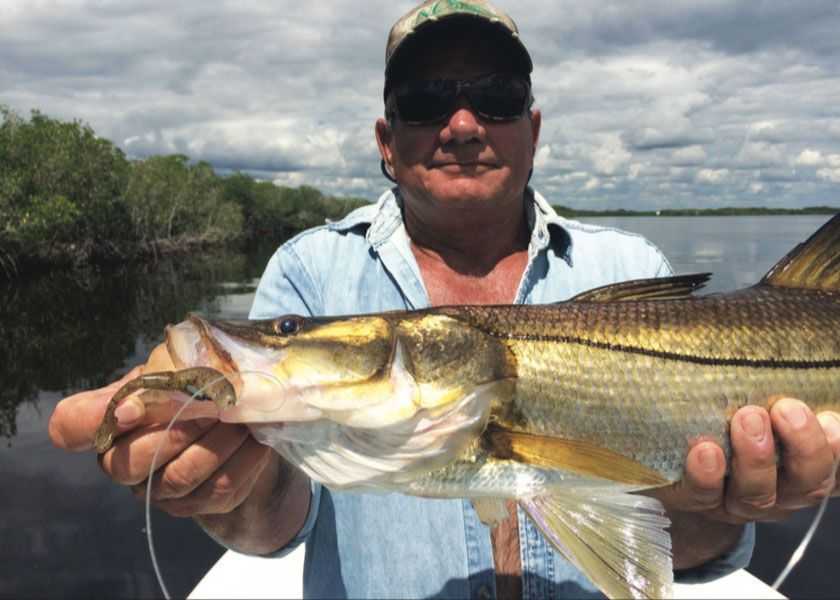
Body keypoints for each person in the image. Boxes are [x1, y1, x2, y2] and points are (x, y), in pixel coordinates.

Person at [49, 1, 840, 598]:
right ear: (387, 140)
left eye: (494, 97)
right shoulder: (312, 266)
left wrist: (720, 509)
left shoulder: (626, 263)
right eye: (426, 100)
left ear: (532, 129)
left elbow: (675, 540)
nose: (462, 123)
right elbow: (278, 521)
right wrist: (230, 489)